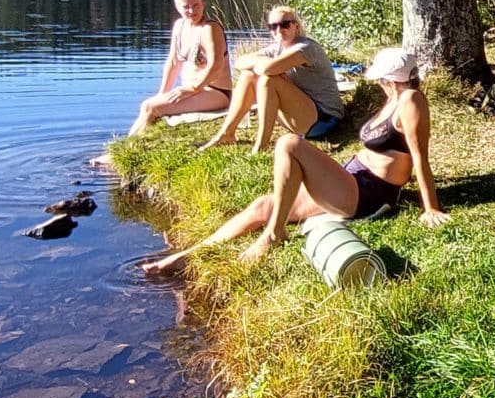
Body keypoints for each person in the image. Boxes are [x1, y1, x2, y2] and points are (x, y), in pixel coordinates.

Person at [143, 47, 447, 274]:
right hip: (353, 178)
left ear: (389, 79)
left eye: (380, 78)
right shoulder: (393, 99)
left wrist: (431, 207)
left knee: (289, 144)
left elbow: (420, 158)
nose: (378, 83)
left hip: (368, 193)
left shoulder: (411, 100)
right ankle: (190, 254)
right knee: (264, 204)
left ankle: (274, 234)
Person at [199, 4, 348, 151]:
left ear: (296, 26)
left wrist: (266, 67)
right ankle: (227, 133)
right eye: (273, 26)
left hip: (324, 120)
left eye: (285, 24)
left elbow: (267, 69)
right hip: (301, 117)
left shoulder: (305, 47)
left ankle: (261, 145)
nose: (279, 30)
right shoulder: (278, 49)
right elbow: (240, 62)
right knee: (249, 75)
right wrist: (265, 67)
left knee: (268, 80)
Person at [128, 0, 234, 133]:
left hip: (215, 92)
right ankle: (123, 148)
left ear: (203, 3)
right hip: (191, 90)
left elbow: (216, 66)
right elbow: (173, 62)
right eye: (186, 7)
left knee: (151, 107)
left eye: (196, 5)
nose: (192, 11)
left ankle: (124, 152)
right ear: (178, 7)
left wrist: (193, 89)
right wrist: (162, 93)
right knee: (148, 104)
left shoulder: (210, 29)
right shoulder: (179, 26)